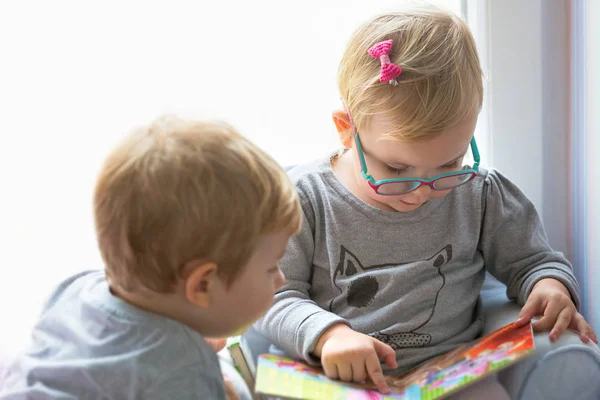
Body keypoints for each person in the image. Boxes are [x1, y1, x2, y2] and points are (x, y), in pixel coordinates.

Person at [253, 4, 597, 399]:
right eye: (397, 169)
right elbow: (270, 296)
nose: (422, 189)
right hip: (338, 382)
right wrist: (328, 334)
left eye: (449, 163)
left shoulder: (479, 192)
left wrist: (550, 285)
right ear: (346, 130)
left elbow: (534, 260)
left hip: (450, 376)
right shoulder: (303, 199)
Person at [0, 116, 301, 399]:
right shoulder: (183, 372)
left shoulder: (77, 289)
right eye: (271, 267)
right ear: (202, 285)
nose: (281, 279)